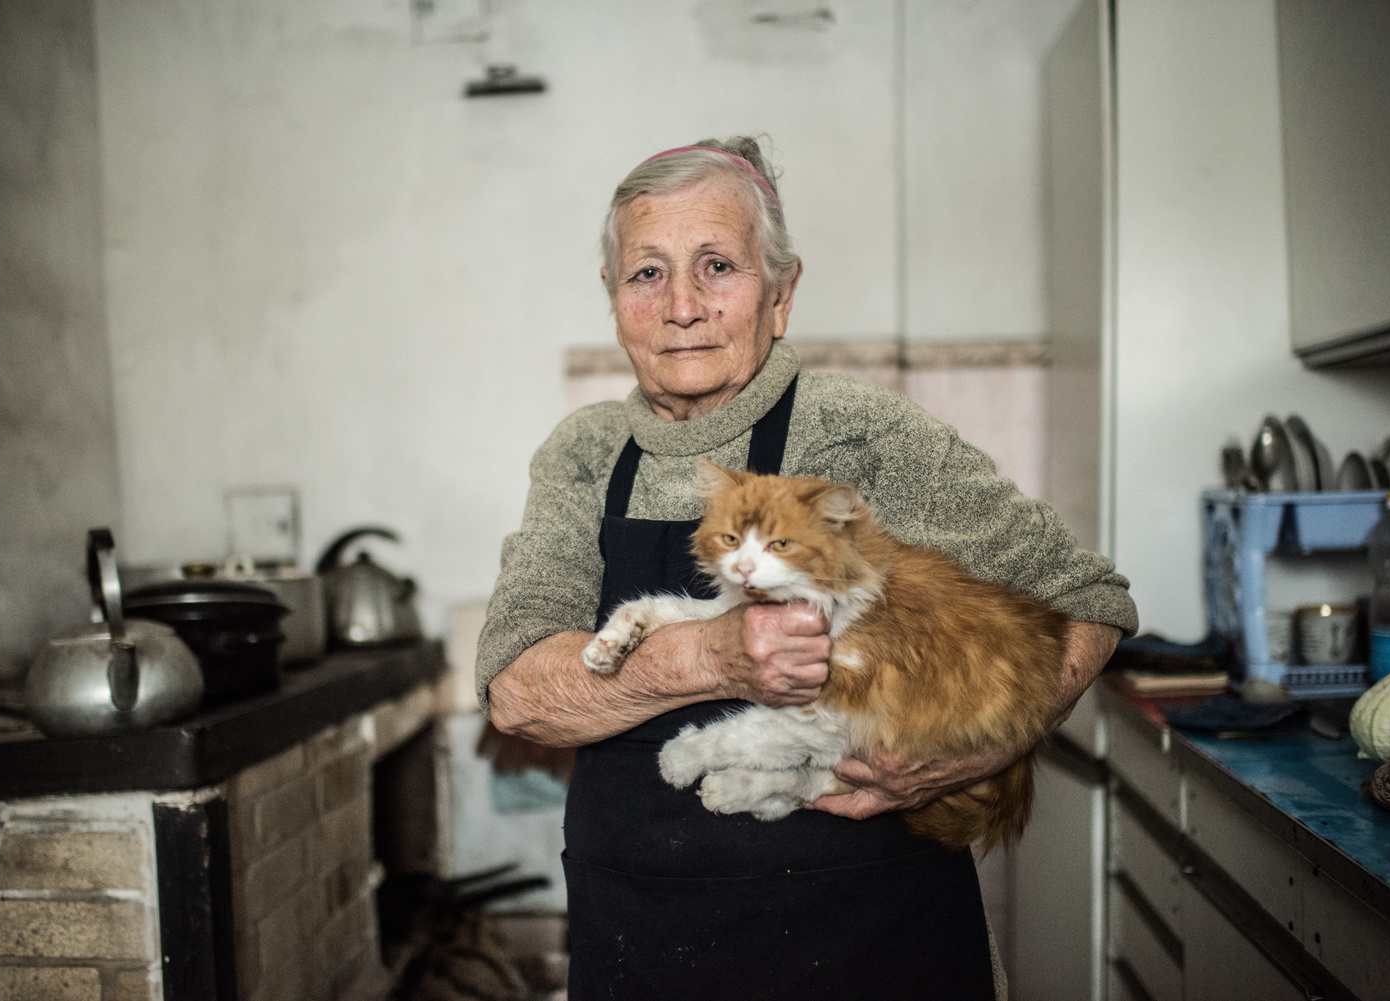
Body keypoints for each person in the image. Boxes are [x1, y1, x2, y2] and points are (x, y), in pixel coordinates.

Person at [476, 136, 1137, 1000]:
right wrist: (715, 655)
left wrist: (984, 744)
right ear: (613, 299)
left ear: (781, 295)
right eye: (647, 273)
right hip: (645, 940)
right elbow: (519, 692)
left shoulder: (866, 433)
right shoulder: (583, 456)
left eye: (717, 265)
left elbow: (1088, 600)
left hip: (877, 944)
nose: (682, 305)